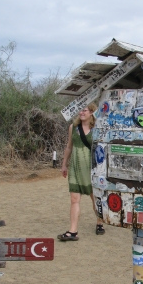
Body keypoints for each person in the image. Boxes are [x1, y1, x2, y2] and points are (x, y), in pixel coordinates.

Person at [57, 103, 105, 241]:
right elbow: (69, 147)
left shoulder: (97, 129)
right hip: (75, 167)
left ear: (92, 113)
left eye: (84, 110)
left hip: (91, 169)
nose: (81, 113)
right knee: (74, 199)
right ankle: (73, 231)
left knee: (94, 198)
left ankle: (99, 222)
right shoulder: (73, 127)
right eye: (80, 110)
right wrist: (64, 164)